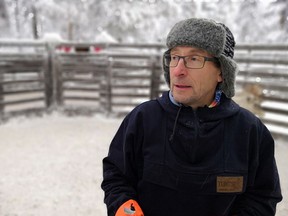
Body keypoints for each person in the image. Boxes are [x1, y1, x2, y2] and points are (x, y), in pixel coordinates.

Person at [101, 18, 282, 216]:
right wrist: (125, 208)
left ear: (221, 72)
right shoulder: (143, 119)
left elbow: (262, 197)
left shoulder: (250, 132)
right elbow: (117, 176)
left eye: (194, 59)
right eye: (174, 57)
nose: (178, 71)